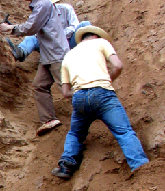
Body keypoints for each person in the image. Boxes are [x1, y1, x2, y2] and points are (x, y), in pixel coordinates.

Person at [52, 26, 149, 179]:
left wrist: (80, 91)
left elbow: (65, 93)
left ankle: (65, 167)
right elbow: (118, 65)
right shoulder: (101, 43)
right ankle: (140, 167)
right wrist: (107, 80)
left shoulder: (68, 56)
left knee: (75, 133)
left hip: (79, 98)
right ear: (96, 36)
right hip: (103, 94)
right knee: (124, 132)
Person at [0, 0, 69, 136]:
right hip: (48, 56)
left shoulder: (43, 4)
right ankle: (49, 119)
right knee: (39, 86)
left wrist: (10, 28)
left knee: (67, 88)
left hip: (56, 55)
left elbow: (31, 27)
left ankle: (90, 110)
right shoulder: (41, 5)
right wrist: (14, 28)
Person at [9, 0, 86, 60]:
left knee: (84, 25)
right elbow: (33, 30)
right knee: (31, 38)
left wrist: (59, 36)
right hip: (49, 46)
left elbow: (74, 26)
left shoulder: (66, 9)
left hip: (68, 43)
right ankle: (21, 52)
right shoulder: (40, 13)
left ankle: (89, 52)